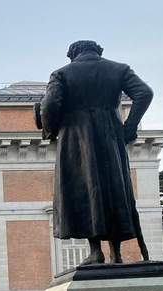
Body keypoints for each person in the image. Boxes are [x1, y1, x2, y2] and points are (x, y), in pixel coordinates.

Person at [37, 40, 154, 265]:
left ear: (72, 55)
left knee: (86, 191)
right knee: (113, 190)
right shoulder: (119, 69)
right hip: (110, 137)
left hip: (76, 141)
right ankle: (116, 253)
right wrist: (129, 127)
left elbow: (49, 105)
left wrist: (50, 130)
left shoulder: (61, 74)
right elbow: (144, 93)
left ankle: (95, 251)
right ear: (98, 51)